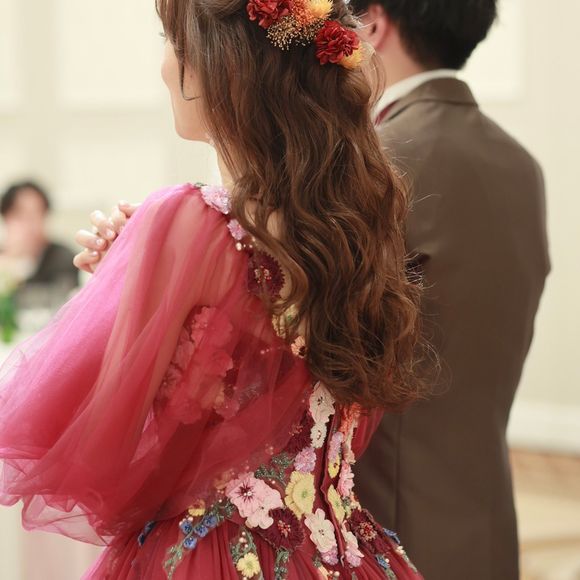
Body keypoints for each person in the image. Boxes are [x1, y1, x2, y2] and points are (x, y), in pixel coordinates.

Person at [0, 0, 427, 578]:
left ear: (218, 66)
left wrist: (133, 292)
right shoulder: (356, 229)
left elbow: (96, 449)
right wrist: (143, 282)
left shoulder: (186, 219)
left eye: (170, 40)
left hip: (213, 553)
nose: (163, 65)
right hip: (341, 551)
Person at [344, 1, 549, 579]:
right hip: (488, 518)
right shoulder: (521, 164)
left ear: (374, 23)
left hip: (390, 526)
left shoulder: (374, 161)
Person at [0, 181, 79, 306]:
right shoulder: (3, 259)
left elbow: (63, 302)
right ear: (6, 218)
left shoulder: (64, 258)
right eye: (19, 215)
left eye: (35, 213)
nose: (29, 223)